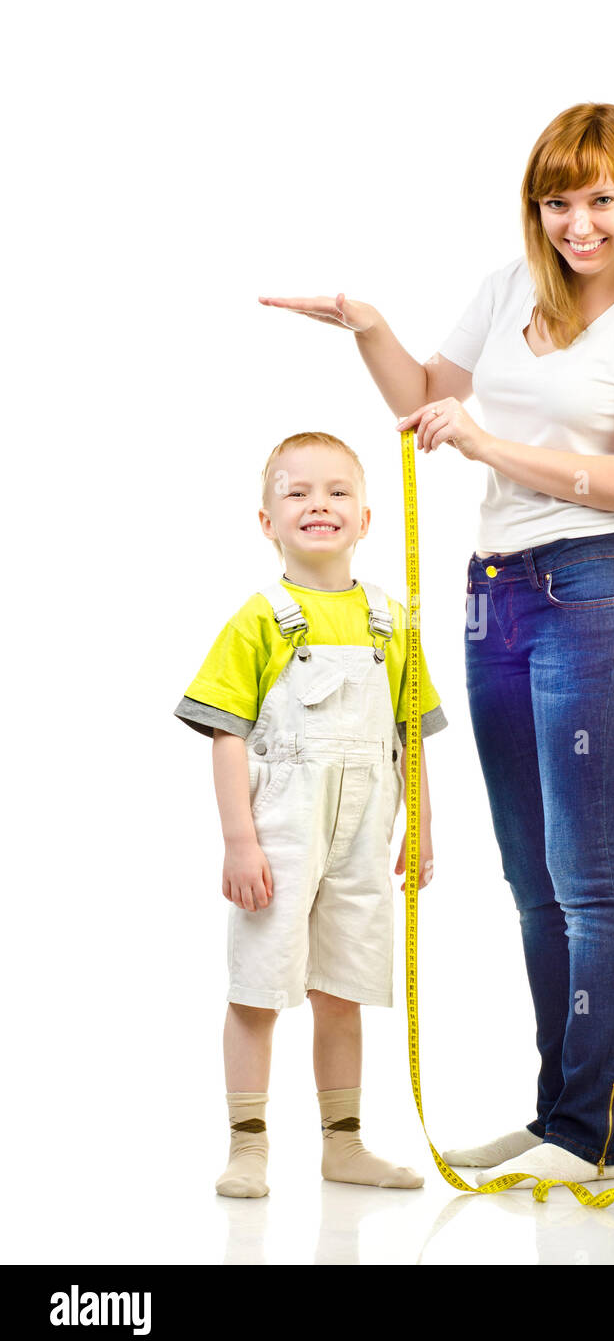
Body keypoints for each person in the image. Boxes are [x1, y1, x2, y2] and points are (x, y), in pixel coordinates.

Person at [258, 102, 614, 1189]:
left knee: (588, 876)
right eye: (558, 200)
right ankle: (560, 1118)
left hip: (595, 594)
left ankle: (589, 1134)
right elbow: (423, 405)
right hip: (494, 597)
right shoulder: (510, 286)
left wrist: (492, 442)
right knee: (527, 876)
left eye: (599, 198)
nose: (577, 223)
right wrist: (369, 327)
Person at [174, 431, 446, 1197]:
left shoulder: (392, 620)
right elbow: (227, 735)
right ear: (266, 520)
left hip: (365, 835)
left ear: (366, 519)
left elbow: (411, 734)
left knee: (342, 987)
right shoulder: (259, 619)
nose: (318, 504)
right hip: (281, 832)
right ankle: (248, 1145)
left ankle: (343, 1143)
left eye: (337, 493)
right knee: (259, 985)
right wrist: (238, 842)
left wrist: (423, 824)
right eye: (296, 493)